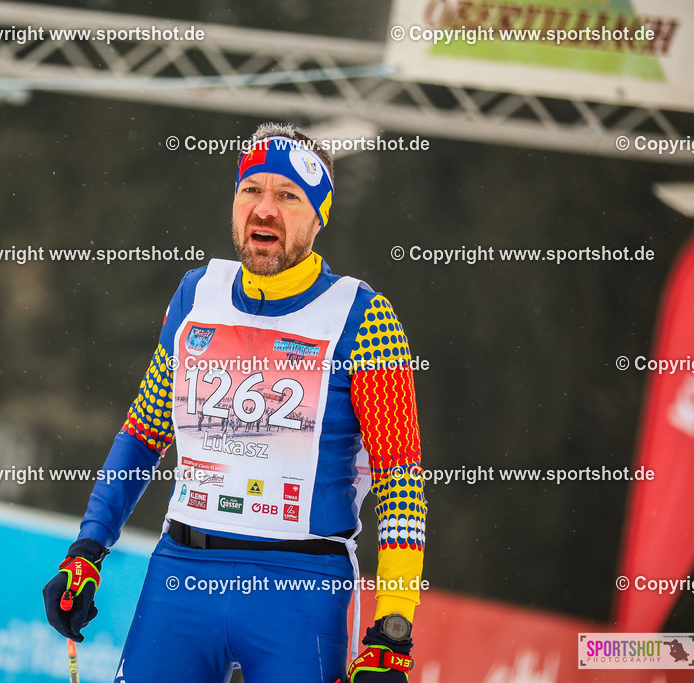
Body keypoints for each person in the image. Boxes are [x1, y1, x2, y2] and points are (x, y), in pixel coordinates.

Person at [43, 123, 427, 682]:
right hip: (184, 571)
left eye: (288, 196)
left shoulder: (365, 317)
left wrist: (393, 630)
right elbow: (144, 431)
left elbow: (401, 476)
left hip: (301, 585)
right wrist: (87, 549)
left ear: (318, 217)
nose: (264, 209)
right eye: (252, 190)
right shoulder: (198, 294)